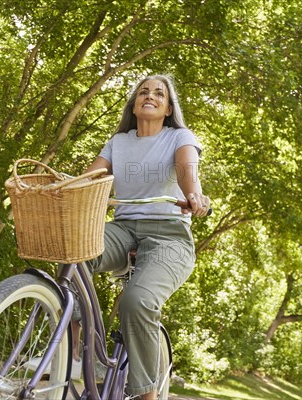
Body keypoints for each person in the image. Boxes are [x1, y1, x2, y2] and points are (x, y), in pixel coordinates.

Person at [77, 74, 210, 400]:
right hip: (122, 230)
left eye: (159, 93)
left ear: (167, 108)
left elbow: (185, 169)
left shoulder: (179, 137)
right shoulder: (118, 142)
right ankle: (68, 350)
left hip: (170, 237)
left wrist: (195, 195)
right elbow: (89, 179)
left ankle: (146, 397)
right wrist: (62, 188)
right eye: (143, 92)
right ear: (134, 104)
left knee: (137, 301)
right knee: (75, 251)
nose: (149, 96)